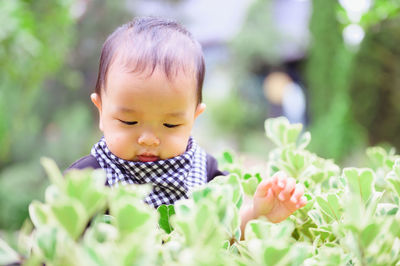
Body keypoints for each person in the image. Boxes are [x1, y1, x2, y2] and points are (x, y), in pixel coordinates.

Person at [67, 17, 307, 234]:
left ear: (194, 118)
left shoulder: (205, 173)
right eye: (129, 121)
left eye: (170, 124)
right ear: (101, 111)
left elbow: (226, 234)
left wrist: (258, 214)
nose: (149, 139)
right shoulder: (87, 179)